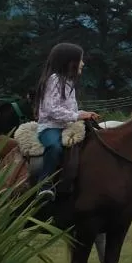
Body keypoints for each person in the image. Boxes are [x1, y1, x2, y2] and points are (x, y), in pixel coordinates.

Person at [32, 43, 99, 201]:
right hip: (50, 127)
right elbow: (51, 110)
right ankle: (44, 184)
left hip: (66, 125)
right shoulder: (54, 80)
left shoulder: (69, 83)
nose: (83, 63)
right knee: (54, 147)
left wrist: (84, 114)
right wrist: (77, 116)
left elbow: (70, 110)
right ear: (70, 62)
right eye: (80, 60)